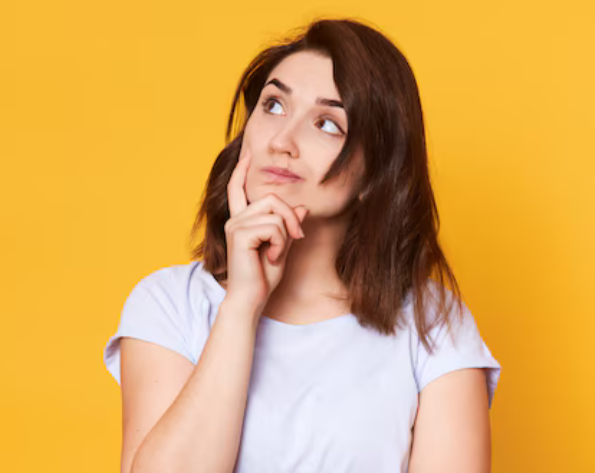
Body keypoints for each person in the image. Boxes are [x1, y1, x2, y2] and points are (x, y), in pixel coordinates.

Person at [103, 17, 501, 473]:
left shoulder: (432, 324)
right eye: (273, 105)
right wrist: (241, 306)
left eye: (327, 123)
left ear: (375, 173)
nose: (282, 141)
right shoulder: (170, 304)